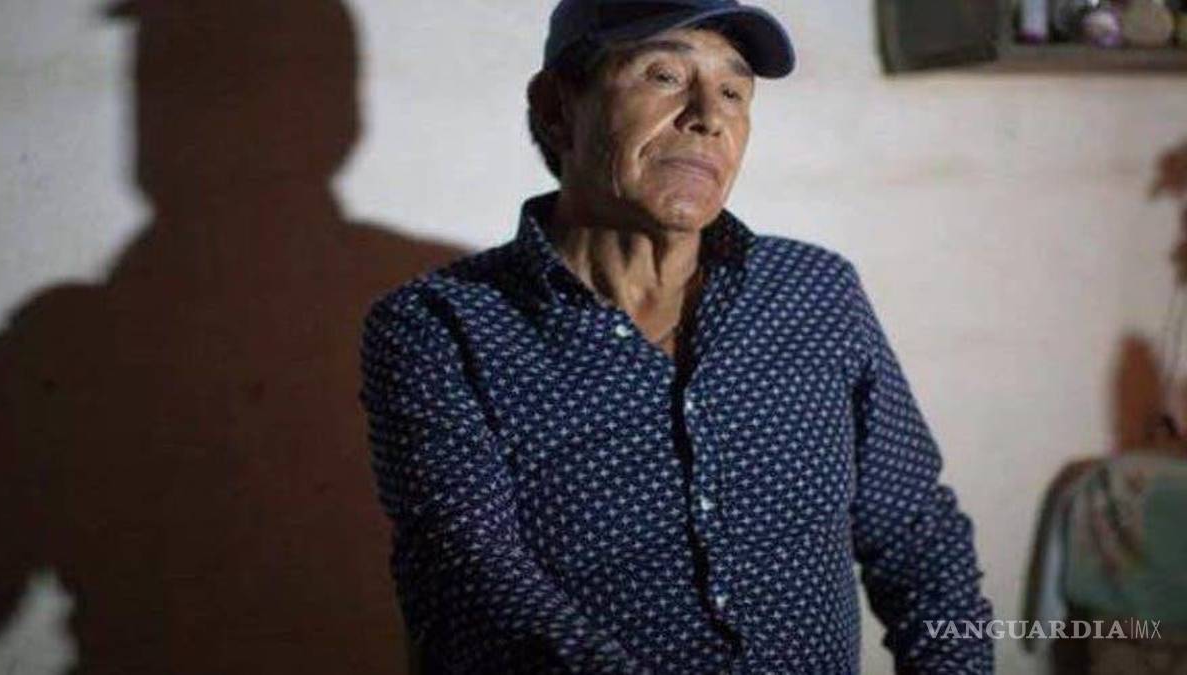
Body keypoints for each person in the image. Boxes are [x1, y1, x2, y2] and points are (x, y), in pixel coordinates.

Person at [358, 0, 994, 672]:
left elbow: (921, 543)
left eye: (734, 92)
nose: (708, 116)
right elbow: (473, 584)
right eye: (664, 75)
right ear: (556, 109)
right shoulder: (441, 327)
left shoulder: (814, 292)